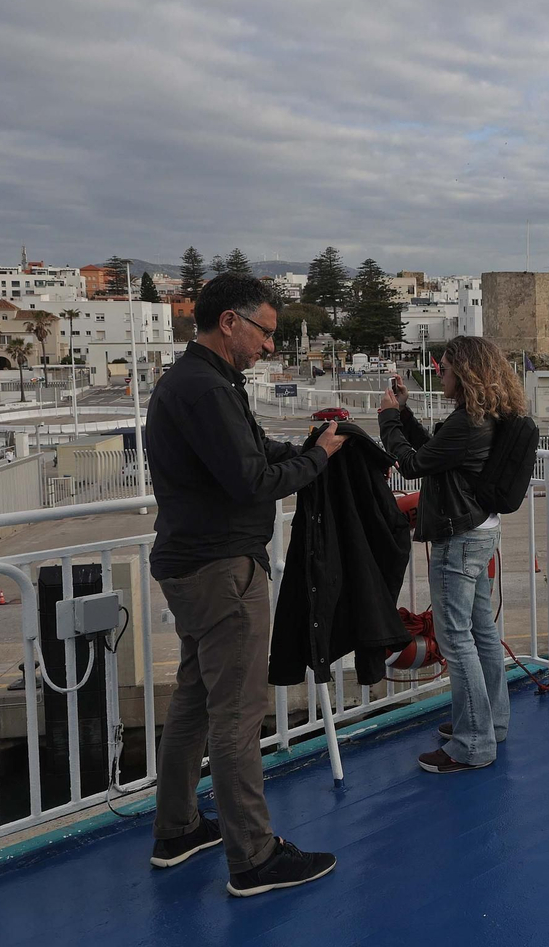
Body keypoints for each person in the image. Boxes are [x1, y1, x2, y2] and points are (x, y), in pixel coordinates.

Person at [145, 274, 345, 897]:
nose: (268, 347)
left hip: (192, 565)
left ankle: (177, 829)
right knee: (238, 713)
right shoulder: (206, 390)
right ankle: (254, 858)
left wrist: (308, 447)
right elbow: (252, 481)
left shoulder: (198, 383)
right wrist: (318, 462)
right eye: (264, 332)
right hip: (221, 572)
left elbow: (251, 453)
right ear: (230, 323)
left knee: (196, 699)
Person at [378, 335, 527, 773]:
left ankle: (473, 744)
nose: (439, 374)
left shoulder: (469, 423)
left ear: (463, 373)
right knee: (480, 632)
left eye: (443, 369)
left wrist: (387, 420)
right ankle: (490, 722)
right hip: (481, 531)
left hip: (458, 539)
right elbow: (434, 454)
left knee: (455, 639)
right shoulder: (486, 418)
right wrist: (404, 413)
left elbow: (411, 464)